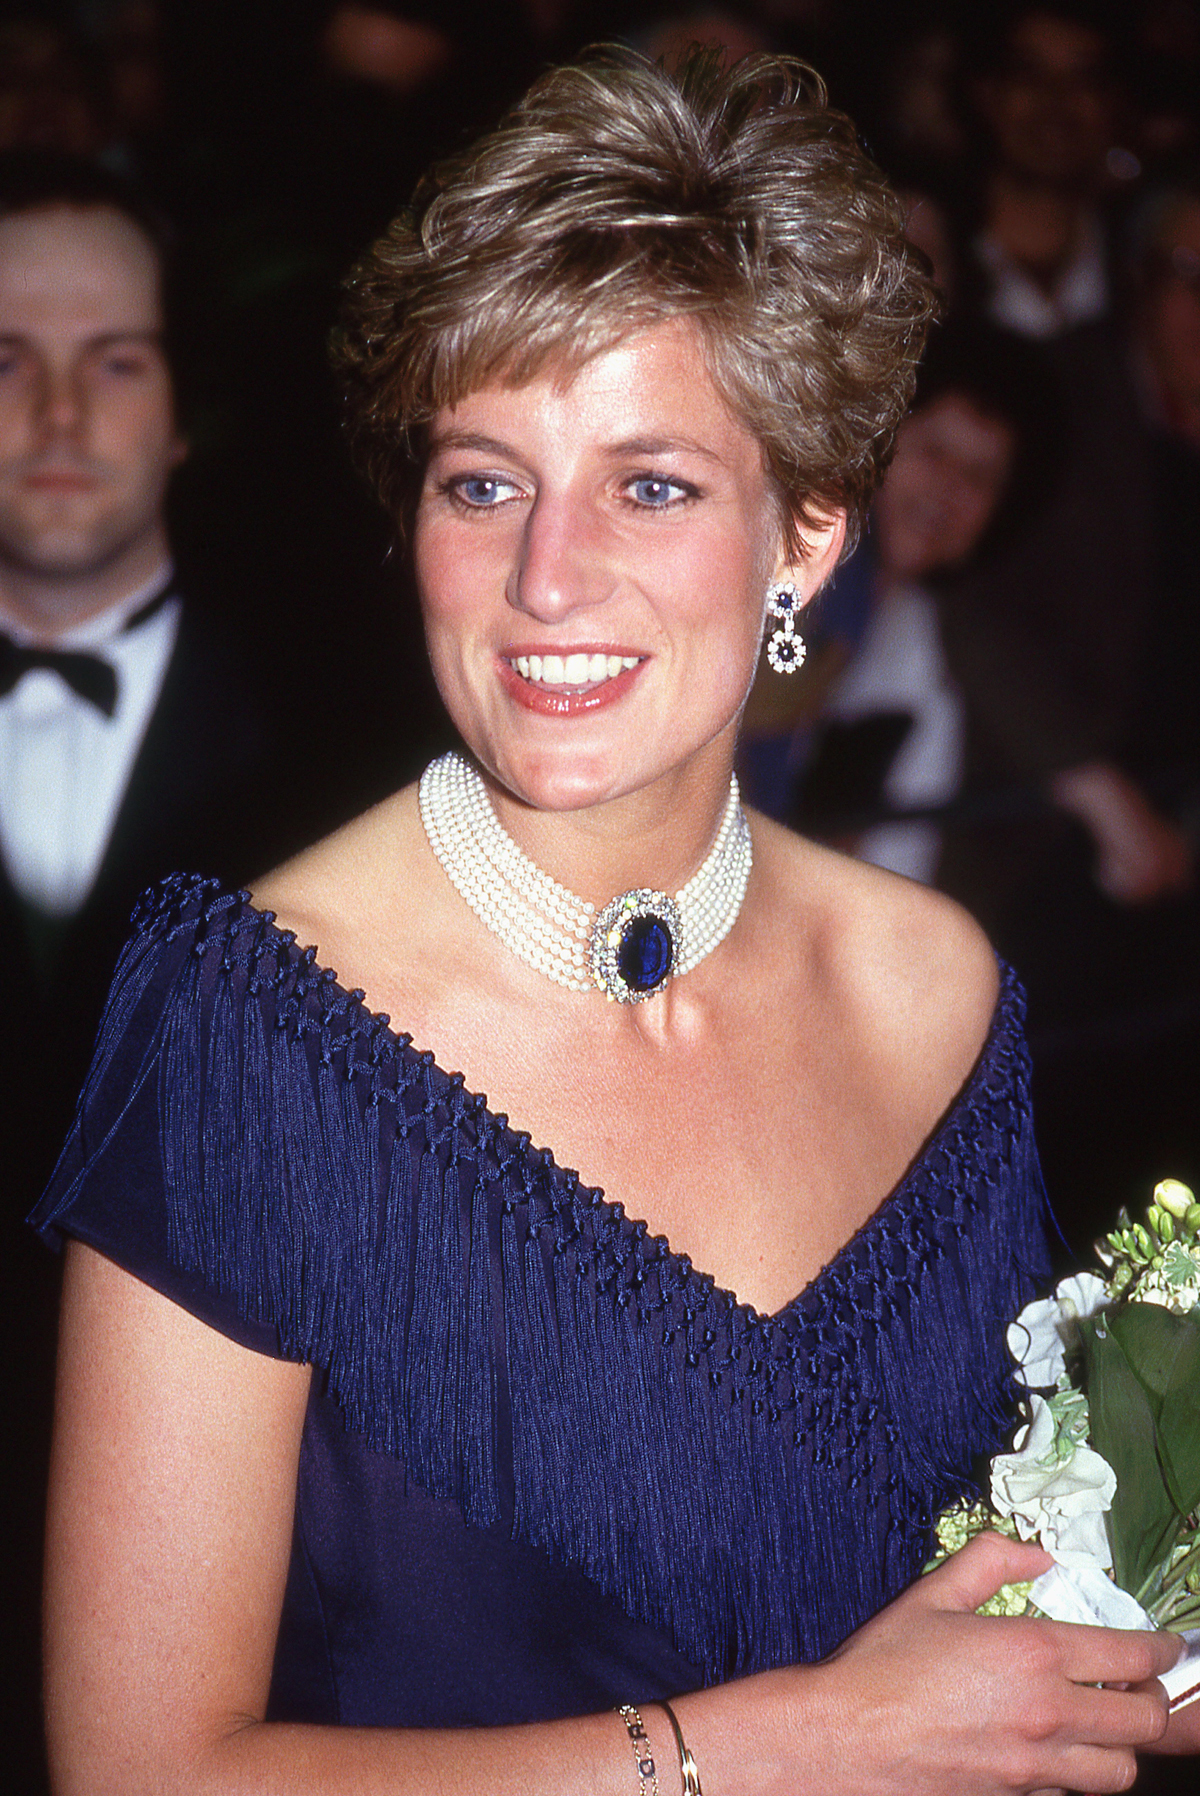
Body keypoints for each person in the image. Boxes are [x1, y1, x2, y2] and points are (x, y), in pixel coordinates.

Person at [32, 47, 1196, 1795]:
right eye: (482, 480)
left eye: (650, 484)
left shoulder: (934, 989)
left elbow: (988, 1606)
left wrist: (1131, 1647)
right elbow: (138, 1769)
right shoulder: (249, 1023)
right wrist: (783, 1747)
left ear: (805, 535)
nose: (545, 579)